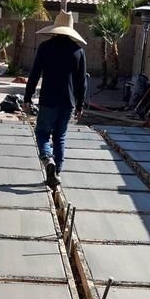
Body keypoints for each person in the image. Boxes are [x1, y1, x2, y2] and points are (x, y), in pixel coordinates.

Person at [23, 11, 87, 189]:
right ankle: (56, 173)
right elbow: (82, 82)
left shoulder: (45, 47)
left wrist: (27, 97)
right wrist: (80, 104)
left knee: (42, 133)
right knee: (60, 137)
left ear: (56, 29)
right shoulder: (78, 51)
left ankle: (47, 158)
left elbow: (35, 74)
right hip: (68, 102)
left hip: (48, 99)